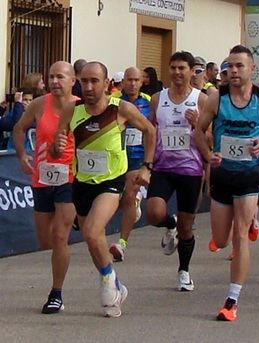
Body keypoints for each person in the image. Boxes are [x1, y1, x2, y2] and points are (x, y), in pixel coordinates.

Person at [53, 61, 156, 317]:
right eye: (84, 81)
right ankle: (116, 283)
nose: (88, 87)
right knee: (93, 241)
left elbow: (150, 131)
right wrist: (58, 144)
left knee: (91, 231)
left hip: (112, 181)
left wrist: (147, 167)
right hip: (82, 183)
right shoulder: (71, 110)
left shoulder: (121, 109)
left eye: (94, 81)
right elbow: (58, 146)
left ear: (107, 83)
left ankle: (109, 285)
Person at [194, 44, 259, 321]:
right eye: (229, 66)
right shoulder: (216, 99)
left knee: (239, 236)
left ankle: (232, 300)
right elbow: (199, 131)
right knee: (220, 240)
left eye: (239, 66)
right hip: (222, 174)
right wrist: (209, 155)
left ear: (252, 69)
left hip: (248, 174)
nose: (233, 71)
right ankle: (250, 219)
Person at [12, 61, 77, 314]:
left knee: (60, 236)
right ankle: (77, 218)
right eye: (51, 77)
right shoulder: (40, 104)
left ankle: (56, 293)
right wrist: (21, 156)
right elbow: (19, 128)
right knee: (45, 240)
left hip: (70, 178)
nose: (54, 82)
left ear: (73, 80)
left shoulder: (82, 106)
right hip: (42, 178)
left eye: (60, 77)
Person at [146, 51, 207, 291]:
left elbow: (210, 136)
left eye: (182, 68)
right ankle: (168, 224)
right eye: (173, 67)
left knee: (187, 226)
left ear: (192, 71)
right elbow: (151, 130)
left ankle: (184, 271)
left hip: (190, 169)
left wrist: (197, 124)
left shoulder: (201, 99)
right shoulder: (157, 98)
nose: (177, 72)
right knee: (153, 212)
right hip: (163, 166)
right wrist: (147, 163)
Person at [108, 67, 153, 261]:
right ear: (123, 82)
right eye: (129, 80)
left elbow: (153, 129)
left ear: (142, 82)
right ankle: (133, 206)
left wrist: (148, 162)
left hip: (137, 157)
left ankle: (122, 243)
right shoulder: (114, 100)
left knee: (129, 195)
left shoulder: (149, 102)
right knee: (116, 199)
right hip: (116, 156)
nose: (133, 83)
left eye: (136, 80)